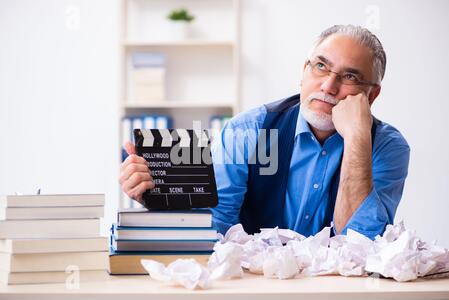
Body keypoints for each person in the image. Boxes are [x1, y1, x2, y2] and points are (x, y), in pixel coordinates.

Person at [119, 25, 410, 240]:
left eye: (350, 76)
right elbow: (217, 226)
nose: (328, 86)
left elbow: (363, 244)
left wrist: (358, 140)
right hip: (256, 285)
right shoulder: (249, 130)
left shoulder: (386, 147)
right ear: (304, 71)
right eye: (321, 66)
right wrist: (157, 198)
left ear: (371, 96)